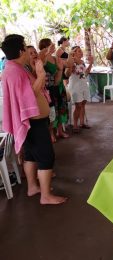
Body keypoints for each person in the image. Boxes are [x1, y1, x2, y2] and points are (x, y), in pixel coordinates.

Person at [1, 34, 67, 204]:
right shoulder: (15, 71)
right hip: (33, 121)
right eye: (25, 47)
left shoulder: (15, 68)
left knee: (30, 155)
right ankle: (45, 196)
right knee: (46, 156)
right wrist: (41, 76)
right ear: (21, 50)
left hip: (32, 121)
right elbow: (29, 96)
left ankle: (33, 187)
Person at [38, 38, 70, 141]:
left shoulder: (55, 58)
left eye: (53, 45)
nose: (53, 47)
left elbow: (68, 65)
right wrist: (45, 53)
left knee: (61, 108)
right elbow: (40, 65)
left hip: (59, 85)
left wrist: (70, 55)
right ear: (44, 47)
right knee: (52, 111)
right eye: (50, 45)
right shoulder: (42, 59)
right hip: (48, 88)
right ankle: (52, 133)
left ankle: (60, 131)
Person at [65, 46, 93, 133]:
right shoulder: (71, 62)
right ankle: (75, 125)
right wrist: (70, 67)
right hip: (75, 87)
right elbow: (66, 74)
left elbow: (85, 74)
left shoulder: (82, 62)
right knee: (78, 106)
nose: (81, 52)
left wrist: (91, 63)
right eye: (79, 51)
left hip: (83, 85)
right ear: (74, 53)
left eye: (81, 51)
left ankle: (82, 123)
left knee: (83, 104)